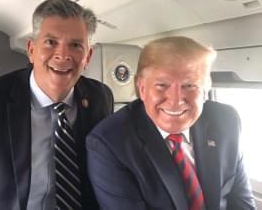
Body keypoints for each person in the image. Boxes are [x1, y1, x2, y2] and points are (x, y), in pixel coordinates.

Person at [0, 0, 114, 210]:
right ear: (31, 50)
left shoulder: (100, 97)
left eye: (75, 45)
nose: (63, 55)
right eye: (51, 42)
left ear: (87, 57)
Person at [86, 36, 256, 210]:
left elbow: (242, 202)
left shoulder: (225, 120)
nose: (175, 100)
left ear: (205, 90)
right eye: (162, 85)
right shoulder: (109, 143)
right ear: (142, 88)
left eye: (189, 85)